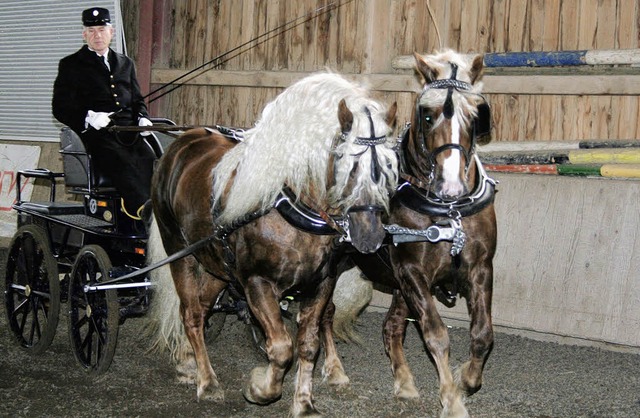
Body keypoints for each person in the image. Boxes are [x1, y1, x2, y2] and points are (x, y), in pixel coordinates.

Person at [52, 7, 156, 226]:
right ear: (84, 34)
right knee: (121, 161)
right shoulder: (71, 65)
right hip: (98, 136)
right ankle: (143, 214)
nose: (97, 35)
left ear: (111, 31)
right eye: (91, 30)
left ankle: (159, 208)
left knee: (152, 159)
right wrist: (89, 117)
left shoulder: (125, 64)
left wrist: (143, 117)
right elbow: (59, 107)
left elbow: (137, 99)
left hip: (129, 133)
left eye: (101, 29)